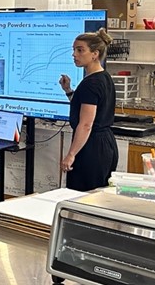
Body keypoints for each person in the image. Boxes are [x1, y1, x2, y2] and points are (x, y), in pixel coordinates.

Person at [59, 28, 118, 191]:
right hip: (105, 144)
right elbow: (87, 110)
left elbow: (86, 124)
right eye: (74, 50)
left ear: (95, 54)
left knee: (83, 198)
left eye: (80, 50)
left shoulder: (90, 84)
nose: (74, 54)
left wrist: (71, 155)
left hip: (91, 147)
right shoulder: (103, 77)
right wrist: (69, 91)